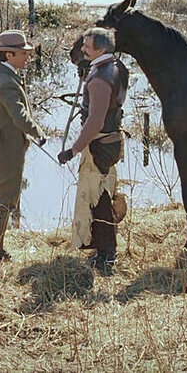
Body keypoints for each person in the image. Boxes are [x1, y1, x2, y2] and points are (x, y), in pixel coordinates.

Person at [58, 27, 128, 275]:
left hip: (99, 143)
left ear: (100, 49)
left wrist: (73, 150)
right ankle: (104, 251)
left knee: (97, 198)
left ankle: (106, 255)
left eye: (87, 47)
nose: (83, 50)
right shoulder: (117, 66)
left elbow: (95, 121)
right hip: (111, 141)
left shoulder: (100, 78)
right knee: (103, 194)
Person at [0, 30, 46, 264]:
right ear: (8, 55)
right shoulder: (7, 82)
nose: (28, 57)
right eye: (23, 53)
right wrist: (37, 132)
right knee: (4, 201)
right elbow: (19, 116)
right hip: (7, 151)